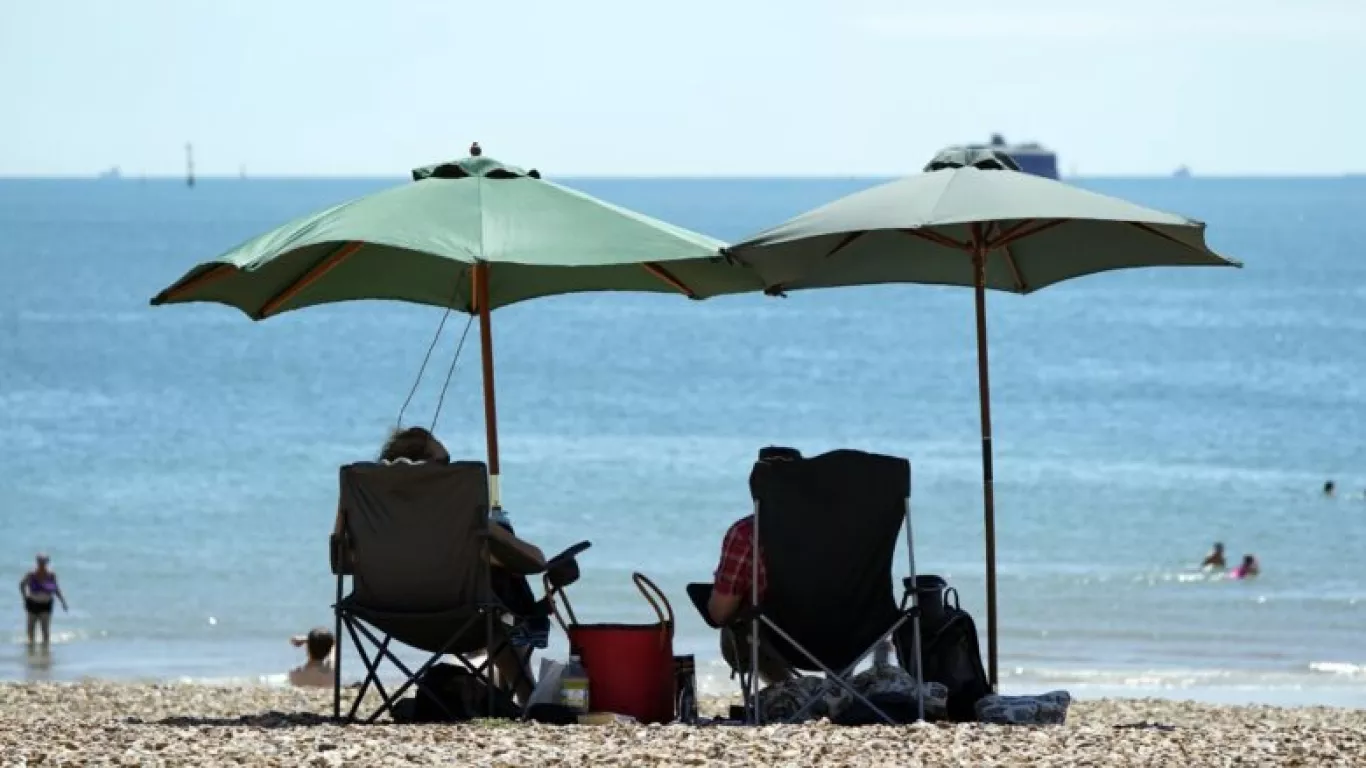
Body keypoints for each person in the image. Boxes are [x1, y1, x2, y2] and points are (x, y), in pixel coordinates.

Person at [332, 426, 547, 704]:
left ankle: (512, 692)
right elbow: (534, 563)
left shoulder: (371, 517)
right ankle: (526, 693)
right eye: (444, 464)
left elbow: (340, 564)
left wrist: (345, 508)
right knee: (502, 591)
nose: (449, 471)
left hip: (388, 614)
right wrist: (492, 530)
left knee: (498, 592)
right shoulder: (454, 520)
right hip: (463, 617)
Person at [707, 447, 800, 685]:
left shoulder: (746, 534)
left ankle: (789, 689)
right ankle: (838, 691)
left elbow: (719, 614)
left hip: (775, 641)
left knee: (741, 622)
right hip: (844, 638)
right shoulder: (839, 533)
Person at [19, 553, 67, 649]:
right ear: (37, 562)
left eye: (44, 562)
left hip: (46, 605)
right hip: (32, 604)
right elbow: (21, 585)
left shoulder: (51, 575)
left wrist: (63, 601)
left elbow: (56, 589)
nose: (42, 564)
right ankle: (30, 651)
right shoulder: (31, 574)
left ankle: (45, 652)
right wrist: (24, 598)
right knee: (30, 630)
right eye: (40, 562)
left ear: (47, 563)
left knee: (45, 630)